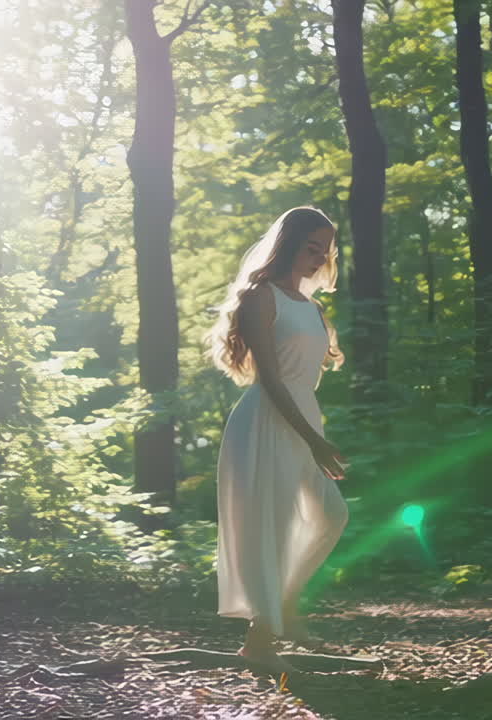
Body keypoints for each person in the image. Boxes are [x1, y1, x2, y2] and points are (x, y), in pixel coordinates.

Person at [204, 206, 350, 674]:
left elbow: (305, 379)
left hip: (304, 417)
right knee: (272, 527)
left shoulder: (312, 306)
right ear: (288, 243)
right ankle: (260, 639)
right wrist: (313, 440)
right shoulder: (259, 297)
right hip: (266, 420)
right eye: (310, 247)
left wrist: (314, 434)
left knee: (331, 515)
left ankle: (282, 608)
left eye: (324, 250)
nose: (317, 257)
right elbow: (270, 378)